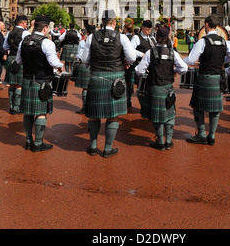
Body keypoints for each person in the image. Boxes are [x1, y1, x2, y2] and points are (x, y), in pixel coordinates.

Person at [81, 10, 136, 158]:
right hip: (115, 77)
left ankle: (92, 146)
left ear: (102, 21)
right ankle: (107, 148)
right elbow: (131, 58)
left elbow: (85, 59)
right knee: (113, 116)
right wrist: (125, 63)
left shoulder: (91, 36)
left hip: (96, 77)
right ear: (114, 22)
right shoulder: (122, 37)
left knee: (93, 115)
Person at [184, 15, 230, 146]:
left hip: (205, 77)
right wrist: (220, 62)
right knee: (215, 109)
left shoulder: (203, 41)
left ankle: (201, 134)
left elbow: (190, 59)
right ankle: (211, 136)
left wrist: (177, 62)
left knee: (197, 107)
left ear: (206, 24)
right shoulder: (224, 41)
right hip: (218, 77)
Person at [135, 25, 187, 150]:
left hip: (155, 87)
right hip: (168, 87)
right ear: (168, 38)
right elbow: (184, 68)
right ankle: (169, 141)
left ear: (156, 37)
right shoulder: (172, 52)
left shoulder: (150, 52)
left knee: (157, 117)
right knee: (169, 115)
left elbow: (138, 70)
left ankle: (160, 142)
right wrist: (174, 70)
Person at [16, 15, 63, 151]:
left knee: (28, 112)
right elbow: (53, 63)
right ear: (45, 28)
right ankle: (38, 143)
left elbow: (18, 61)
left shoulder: (24, 41)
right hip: (42, 81)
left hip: (26, 80)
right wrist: (60, 65)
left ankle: (28, 140)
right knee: (41, 112)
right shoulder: (47, 42)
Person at [3, 15, 30, 114]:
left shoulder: (10, 32)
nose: (26, 24)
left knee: (12, 84)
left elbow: (5, 46)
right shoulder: (25, 33)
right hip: (20, 59)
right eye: (26, 23)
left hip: (11, 58)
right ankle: (17, 107)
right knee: (19, 85)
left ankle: (11, 106)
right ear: (23, 23)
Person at [74, 24, 95, 114]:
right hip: (96, 66)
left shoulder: (83, 42)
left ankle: (85, 107)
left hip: (85, 65)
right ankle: (93, 107)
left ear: (87, 31)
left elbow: (80, 56)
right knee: (95, 88)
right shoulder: (99, 41)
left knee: (85, 88)